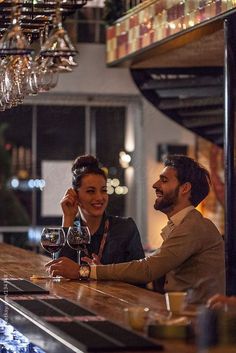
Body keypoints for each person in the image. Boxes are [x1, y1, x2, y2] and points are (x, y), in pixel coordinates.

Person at [46, 155, 225, 304]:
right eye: (91, 191)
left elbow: (147, 270)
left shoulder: (193, 227)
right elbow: (60, 268)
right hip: (183, 314)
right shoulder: (181, 225)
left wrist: (84, 271)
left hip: (198, 320)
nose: (155, 185)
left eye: (163, 180)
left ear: (185, 188)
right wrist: (68, 218)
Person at [58, 154, 145, 265]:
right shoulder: (72, 230)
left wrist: (102, 273)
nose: (99, 198)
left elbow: (140, 277)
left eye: (103, 190)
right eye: (91, 191)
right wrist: (68, 218)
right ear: (76, 195)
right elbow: (59, 271)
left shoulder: (126, 228)